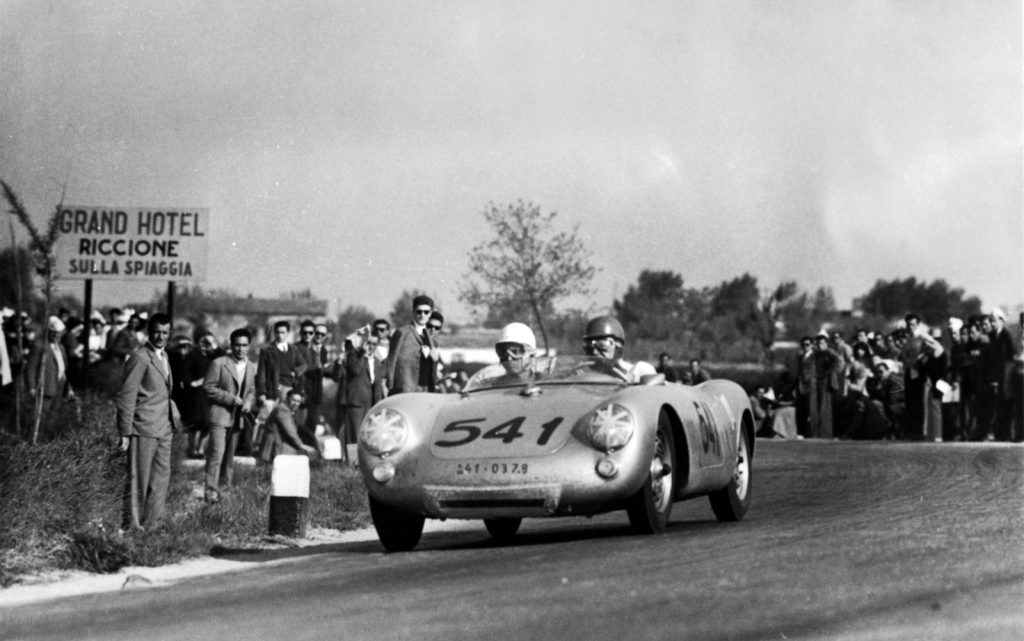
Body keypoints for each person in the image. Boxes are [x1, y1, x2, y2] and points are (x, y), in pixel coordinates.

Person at [116, 312, 180, 531]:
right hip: (143, 427)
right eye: (156, 332)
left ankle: (151, 525)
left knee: (160, 480)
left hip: (164, 428)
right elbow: (127, 396)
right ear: (149, 332)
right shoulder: (140, 357)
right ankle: (134, 526)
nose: (160, 336)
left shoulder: (165, 356)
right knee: (139, 480)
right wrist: (125, 431)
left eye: (165, 332)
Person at [202, 328, 256, 503]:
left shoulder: (251, 366)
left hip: (237, 419)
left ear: (249, 346)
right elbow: (208, 388)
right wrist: (230, 399)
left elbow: (251, 390)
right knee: (216, 455)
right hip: (219, 416)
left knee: (229, 459)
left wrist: (248, 402)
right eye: (237, 345)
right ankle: (210, 494)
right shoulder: (219, 363)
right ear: (231, 345)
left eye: (244, 345)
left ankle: (224, 493)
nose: (240, 349)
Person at [340, 329, 386, 462]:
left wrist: (378, 404)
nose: (371, 346)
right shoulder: (353, 356)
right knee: (354, 434)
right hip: (356, 402)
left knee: (370, 434)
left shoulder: (377, 361)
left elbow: (377, 385)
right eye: (369, 343)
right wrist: (363, 354)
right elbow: (356, 370)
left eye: (374, 344)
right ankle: (353, 463)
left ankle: (366, 462)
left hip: (371, 403)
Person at [25, 316, 73, 435]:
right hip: (45, 387)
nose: (57, 336)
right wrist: (31, 387)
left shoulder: (61, 347)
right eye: (54, 333)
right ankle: (34, 438)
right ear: (49, 333)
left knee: (53, 416)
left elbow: (64, 368)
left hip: (59, 386)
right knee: (40, 416)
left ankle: (46, 438)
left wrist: (68, 387)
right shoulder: (40, 346)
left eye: (59, 333)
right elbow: (31, 368)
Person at [581, 315, 656, 383]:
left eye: (602, 344)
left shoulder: (638, 371)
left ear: (618, 344)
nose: (594, 352)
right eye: (588, 346)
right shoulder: (582, 375)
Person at [386, 295, 436, 395]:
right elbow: (391, 359)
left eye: (426, 312)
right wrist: (391, 384)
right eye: (419, 311)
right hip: (406, 388)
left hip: (426, 389)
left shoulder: (428, 336)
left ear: (430, 314)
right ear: (413, 312)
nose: (422, 315)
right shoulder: (402, 332)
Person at [258, 389, 317, 463]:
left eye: (298, 401)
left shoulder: (287, 410)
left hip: (277, 447)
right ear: (287, 399)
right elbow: (290, 432)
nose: (296, 404)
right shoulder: (283, 410)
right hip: (274, 449)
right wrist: (302, 446)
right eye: (293, 400)